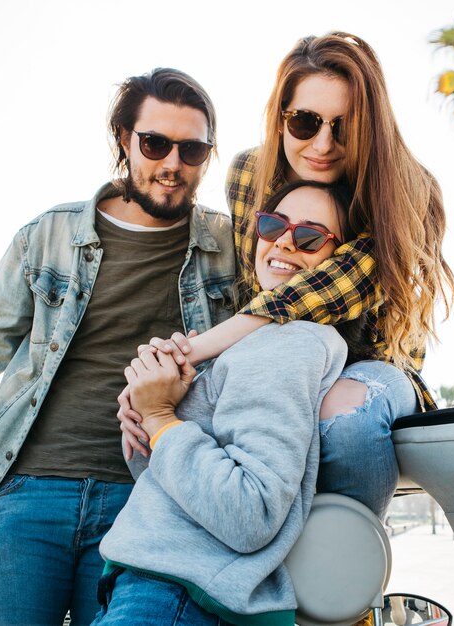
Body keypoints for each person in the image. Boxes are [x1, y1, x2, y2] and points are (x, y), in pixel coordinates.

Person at [120, 31, 454, 519]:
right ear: (280, 118)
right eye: (304, 121)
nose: (323, 144)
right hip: (277, 359)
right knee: (150, 423)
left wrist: (186, 351)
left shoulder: (408, 191)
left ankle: (348, 569)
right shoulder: (249, 174)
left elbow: (319, 292)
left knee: (348, 417)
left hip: (370, 367)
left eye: (345, 127)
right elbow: (260, 284)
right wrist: (153, 380)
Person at [0, 68, 236, 626]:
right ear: (124, 139)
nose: (172, 164)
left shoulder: (230, 248)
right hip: (29, 488)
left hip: (148, 500)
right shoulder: (48, 235)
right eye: (155, 143)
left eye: (193, 149)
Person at [93, 180, 362, 626]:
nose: (284, 242)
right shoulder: (249, 341)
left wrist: (162, 421)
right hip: (166, 587)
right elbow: (172, 486)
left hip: (178, 596)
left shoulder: (288, 344)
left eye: (311, 237)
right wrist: (151, 412)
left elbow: (249, 513)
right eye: (274, 225)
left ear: (341, 264)